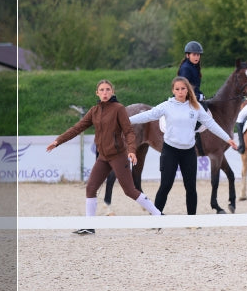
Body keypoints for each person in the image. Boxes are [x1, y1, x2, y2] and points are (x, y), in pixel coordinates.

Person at [46, 79, 162, 234]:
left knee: (129, 190)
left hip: (118, 156)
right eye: (102, 90)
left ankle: (158, 215)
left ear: (112, 92)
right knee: (91, 188)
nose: (105, 92)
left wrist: (132, 150)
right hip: (103, 157)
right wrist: (58, 140)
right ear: (97, 93)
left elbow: (128, 132)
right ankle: (89, 226)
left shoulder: (119, 109)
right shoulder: (94, 111)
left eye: (108, 89)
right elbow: (77, 128)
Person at [128, 76, 237, 215]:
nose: (180, 91)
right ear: (173, 91)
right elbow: (148, 115)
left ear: (188, 90)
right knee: (165, 186)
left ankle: (191, 220)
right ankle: (156, 217)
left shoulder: (195, 107)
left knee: (191, 187)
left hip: (188, 152)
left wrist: (227, 138)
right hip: (170, 151)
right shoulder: (167, 106)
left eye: (183, 89)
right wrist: (127, 119)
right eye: (177, 89)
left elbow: (210, 123)